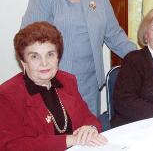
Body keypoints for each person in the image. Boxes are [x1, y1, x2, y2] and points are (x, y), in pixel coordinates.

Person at [21, 0, 136, 115]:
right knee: (63, 139)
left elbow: (114, 34)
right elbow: (28, 40)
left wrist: (141, 59)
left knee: (89, 135)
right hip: (54, 82)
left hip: (90, 82)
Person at [0, 22, 107, 150]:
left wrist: (90, 128)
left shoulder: (67, 81)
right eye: (35, 56)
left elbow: (87, 117)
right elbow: (11, 146)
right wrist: (68, 140)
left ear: (58, 57)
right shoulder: (8, 95)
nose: (44, 63)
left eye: (50, 54)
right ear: (23, 62)